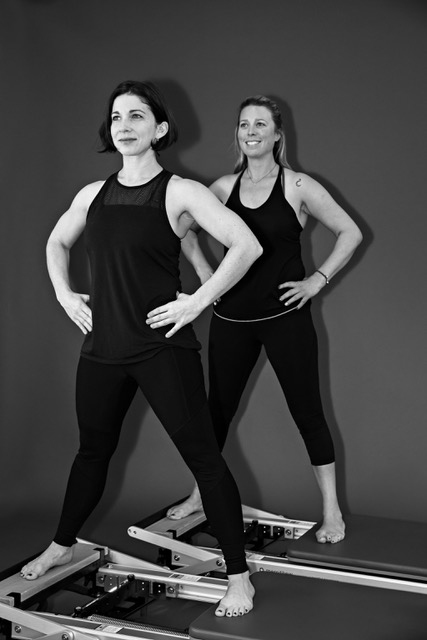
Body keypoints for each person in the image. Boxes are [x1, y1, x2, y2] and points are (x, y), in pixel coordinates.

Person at [20, 81, 264, 618]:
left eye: (136, 116)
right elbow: (56, 241)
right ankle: (61, 543)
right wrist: (64, 292)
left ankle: (239, 577)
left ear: (159, 129)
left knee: (204, 460)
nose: (123, 125)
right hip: (102, 348)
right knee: (91, 454)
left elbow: (247, 245)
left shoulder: (180, 192)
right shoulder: (92, 195)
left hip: (160, 348)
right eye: (115, 117)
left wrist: (197, 301)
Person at [164, 95, 363, 544]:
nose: (250, 131)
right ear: (237, 134)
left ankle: (332, 511)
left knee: (308, 412)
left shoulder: (297, 186)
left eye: (260, 124)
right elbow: (181, 228)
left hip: (284, 318)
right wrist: (204, 273)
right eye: (243, 124)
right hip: (231, 318)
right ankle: (200, 492)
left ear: (277, 134)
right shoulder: (219, 189)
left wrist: (318, 279)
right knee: (216, 412)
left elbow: (350, 232)